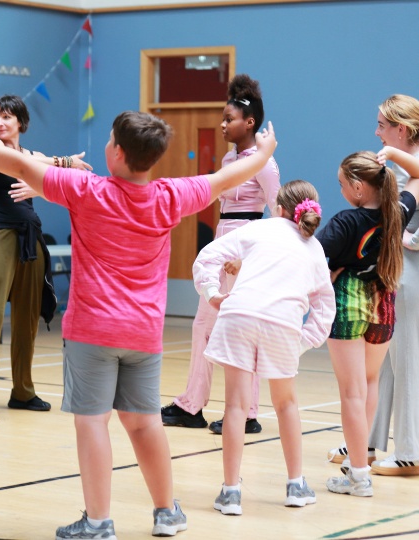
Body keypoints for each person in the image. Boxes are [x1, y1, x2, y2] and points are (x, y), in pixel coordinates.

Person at [0, 108, 277, 538]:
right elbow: (223, 179)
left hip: (92, 332)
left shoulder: (87, 190)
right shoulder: (170, 196)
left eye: (108, 139)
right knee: (144, 423)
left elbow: (19, 166)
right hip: (143, 334)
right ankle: (167, 512)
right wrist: (262, 153)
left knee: (92, 423)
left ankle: (98, 522)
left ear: (117, 152)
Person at [193, 180, 334, 515]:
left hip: (238, 315)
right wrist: (303, 342)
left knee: (235, 406)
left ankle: (230, 493)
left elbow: (207, 256)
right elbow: (325, 306)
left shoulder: (258, 228)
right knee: (286, 404)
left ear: (279, 209)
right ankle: (296, 485)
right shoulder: (314, 248)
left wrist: (212, 293)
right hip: (283, 323)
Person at [0, 94, 91, 426]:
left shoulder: (30, 155)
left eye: (7, 117)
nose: (0, 123)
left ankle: (23, 392)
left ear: (20, 122)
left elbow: (39, 165)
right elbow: (23, 163)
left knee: (27, 322)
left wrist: (66, 164)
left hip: (30, 239)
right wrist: (62, 162)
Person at [161, 74, 280, 435]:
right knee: (203, 326)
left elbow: (278, 215)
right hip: (221, 244)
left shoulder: (265, 163)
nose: (223, 125)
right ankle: (191, 405)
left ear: (250, 122)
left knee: (242, 330)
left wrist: (250, 260)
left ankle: (248, 413)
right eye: (222, 118)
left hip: (245, 249)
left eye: (230, 119)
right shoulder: (230, 159)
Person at [318, 151, 419, 497]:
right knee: (369, 382)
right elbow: (418, 176)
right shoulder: (399, 212)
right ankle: (356, 464)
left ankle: (360, 475)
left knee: (351, 392)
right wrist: (393, 155)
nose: (341, 190)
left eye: (342, 184)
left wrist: (328, 274)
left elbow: (309, 255)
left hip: (349, 303)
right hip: (384, 304)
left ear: (359, 187)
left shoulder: (345, 221)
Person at [365, 94, 419, 477]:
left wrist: (408, 239)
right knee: (381, 360)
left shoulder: (407, 163)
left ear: (401, 129)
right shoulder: (399, 166)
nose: (377, 132)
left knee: (406, 361)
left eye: (382, 126)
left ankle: (410, 451)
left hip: (410, 274)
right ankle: (367, 441)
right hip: (392, 271)